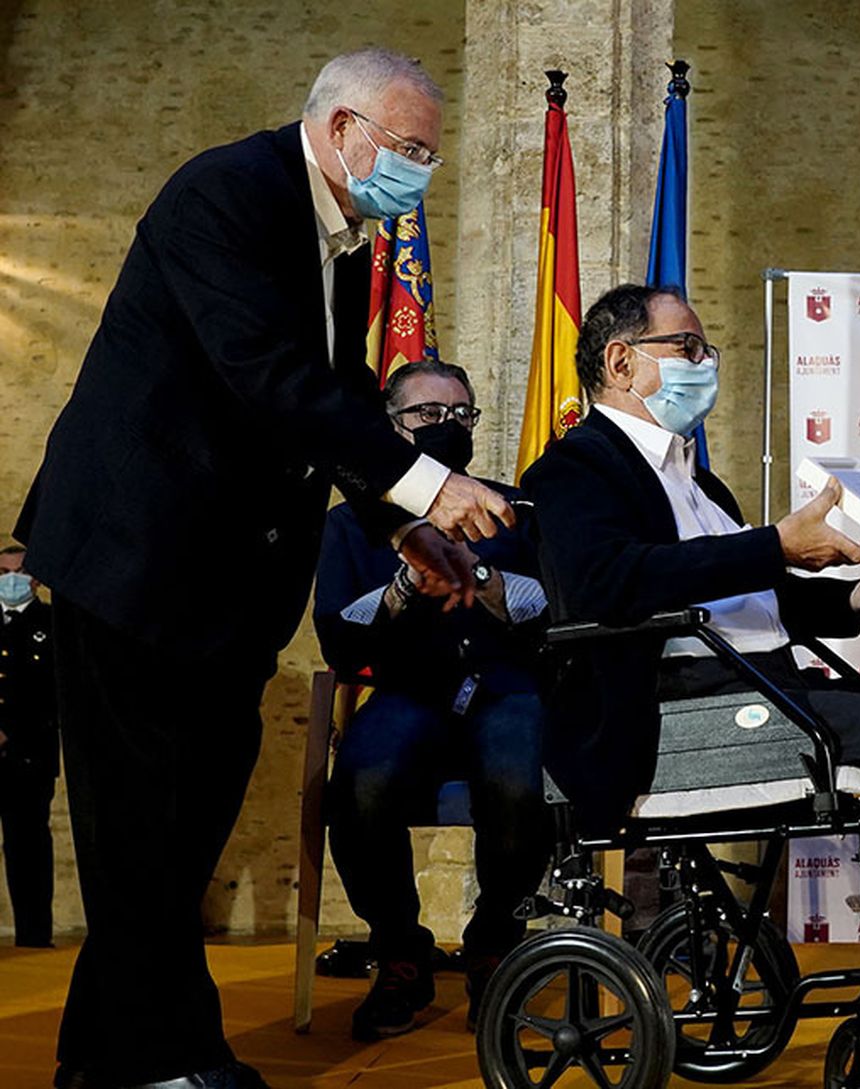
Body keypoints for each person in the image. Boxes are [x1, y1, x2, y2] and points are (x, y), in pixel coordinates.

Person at [13, 49, 514, 1089]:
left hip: (223, 587)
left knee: (181, 826)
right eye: (411, 149)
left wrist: (398, 526)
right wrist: (429, 485)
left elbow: (339, 389)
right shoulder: (227, 194)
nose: (421, 172)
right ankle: (168, 1061)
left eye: (431, 155)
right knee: (140, 829)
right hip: (134, 559)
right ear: (343, 129)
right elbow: (269, 377)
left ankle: (103, 1061)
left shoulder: (344, 240)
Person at [523, 283, 860, 1070]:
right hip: (674, 707)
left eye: (706, 349)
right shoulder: (572, 469)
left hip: (760, 685)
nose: (704, 364)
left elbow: (753, 595)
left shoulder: (699, 482)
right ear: (621, 362)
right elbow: (607, 584)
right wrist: (772, 544)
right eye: (687, 348)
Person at [313, 360, 552, 1040]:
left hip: (506, 687)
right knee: (361, 781)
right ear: (390, 427)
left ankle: (494, 944)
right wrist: (403, 586)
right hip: (407, 688)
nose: (448, 426)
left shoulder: (514, 510)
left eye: (461, 414)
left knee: (519, 776)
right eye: (428, 414)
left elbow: (554, 609)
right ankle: (400, 953)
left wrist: (484, 577)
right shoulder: (352, 523)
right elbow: (338, 634)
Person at [0, 544, 57, 948]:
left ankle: (34, 937)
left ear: (35, 578)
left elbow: (53, 693)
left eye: (18, 572)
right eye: (3, 572)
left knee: (28, 847)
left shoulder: (52, 624)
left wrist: (11, 731)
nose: (11, 580)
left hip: (29, 757)